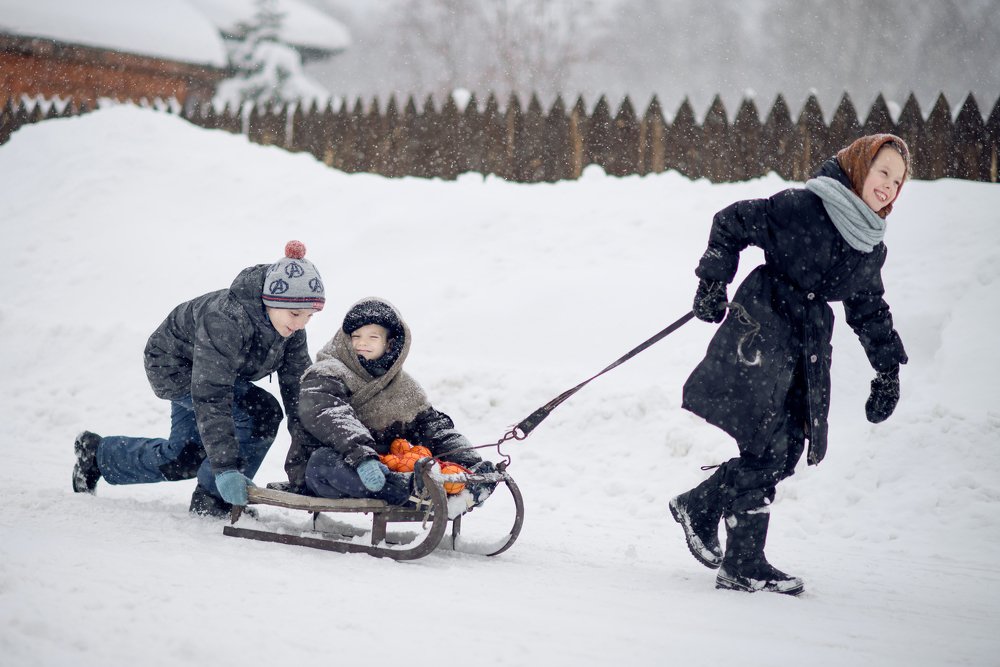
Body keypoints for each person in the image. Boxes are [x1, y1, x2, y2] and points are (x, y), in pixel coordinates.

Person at [669, 134, 911, 596]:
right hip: (763, 329)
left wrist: (887, 370)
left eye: (898, 181)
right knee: (767, 443)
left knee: (786, 449)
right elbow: (731, 222)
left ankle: (704, 508)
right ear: (860, 167)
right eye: (883, 172)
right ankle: (741, 559)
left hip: (808, 346)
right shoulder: (803, 208)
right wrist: (712, 282)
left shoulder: (869, 246)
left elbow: (869, 309)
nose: (889, 186)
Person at [72, 240, 325, 518]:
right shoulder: (226, 319)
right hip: (174, 368)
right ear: (272, 301)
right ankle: (213, 500)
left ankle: (98, 454)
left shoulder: (290, 328)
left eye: (310, 316)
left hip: (217, 372)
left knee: (186, 456)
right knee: (259, 414)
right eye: (296, 314)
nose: (302, 323)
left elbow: (300, 392)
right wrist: (226, 471)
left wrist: (308, 462)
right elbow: (212, 394)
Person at [284, 297, 495, 516]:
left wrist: (466, 459)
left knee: (422, 456)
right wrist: (362, 455)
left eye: (372, 337)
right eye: (355, 336)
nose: (361, 343)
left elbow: (431, 426)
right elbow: (329, 414)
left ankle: (463, 484)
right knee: (323, 461)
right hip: (322, 471)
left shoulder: (402, 387)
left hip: (386, 466)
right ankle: (414, 490)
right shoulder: (325, 373)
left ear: (389, 344)